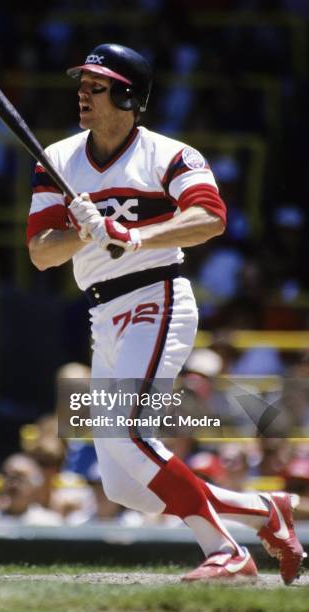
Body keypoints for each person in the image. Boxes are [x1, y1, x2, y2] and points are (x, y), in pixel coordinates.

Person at [26, 43, 305, 583]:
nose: (83, 91)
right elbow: (40, 253)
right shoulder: (57, 159)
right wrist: (82, 229)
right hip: (102, 311)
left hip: (157, 295)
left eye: (97, 85)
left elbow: (210, 217)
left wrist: (130, 235)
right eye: (82, 83)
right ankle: (266, 511)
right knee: (123, 485)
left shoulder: (170, 154)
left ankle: (226, 551)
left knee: (132, 434)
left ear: (129, 95)